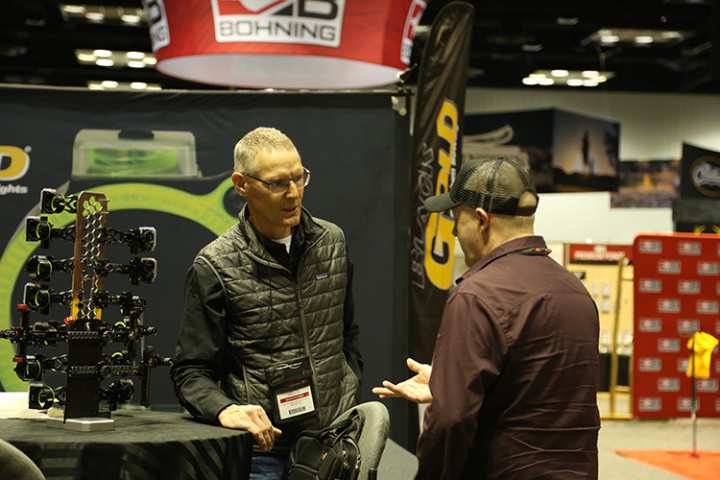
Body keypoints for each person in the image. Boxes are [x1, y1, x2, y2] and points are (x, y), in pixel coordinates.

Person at [374, 157, 600, 479]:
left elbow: (450, 421)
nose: (454, 231)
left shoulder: (477, 296)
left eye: (457, 219)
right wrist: (450, 381)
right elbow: (540, 393)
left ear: (481, 220)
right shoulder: (576, 293)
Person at [171, 127, 363, 480]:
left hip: (332, 443)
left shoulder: (331, 242)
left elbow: (346, 332)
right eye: (277, 183)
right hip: (264, 454)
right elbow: (191, 372)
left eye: (299, 178)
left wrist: (349, 385)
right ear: (241, 184)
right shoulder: (215, 265)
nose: (293, 193)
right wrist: (224, 409)